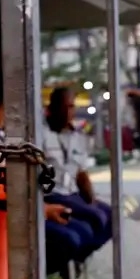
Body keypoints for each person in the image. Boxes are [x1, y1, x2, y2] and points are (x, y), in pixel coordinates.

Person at [0, 92, 98, 279]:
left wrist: (41, 208)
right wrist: (39, 210)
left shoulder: (1, 134)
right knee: (68, 240)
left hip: (12, 213)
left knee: (84, 230)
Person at [42, 87, 113, 253]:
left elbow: (81, 173)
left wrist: (92, 200)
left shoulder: (78, 137)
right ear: (51, 109)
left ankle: (81, 258)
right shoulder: (41, 135)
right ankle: (72, 260)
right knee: (95, 219)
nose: (68, 112)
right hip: (53, 194)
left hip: (73, 194)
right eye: (64, 107)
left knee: (111, 217)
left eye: (72, 106)